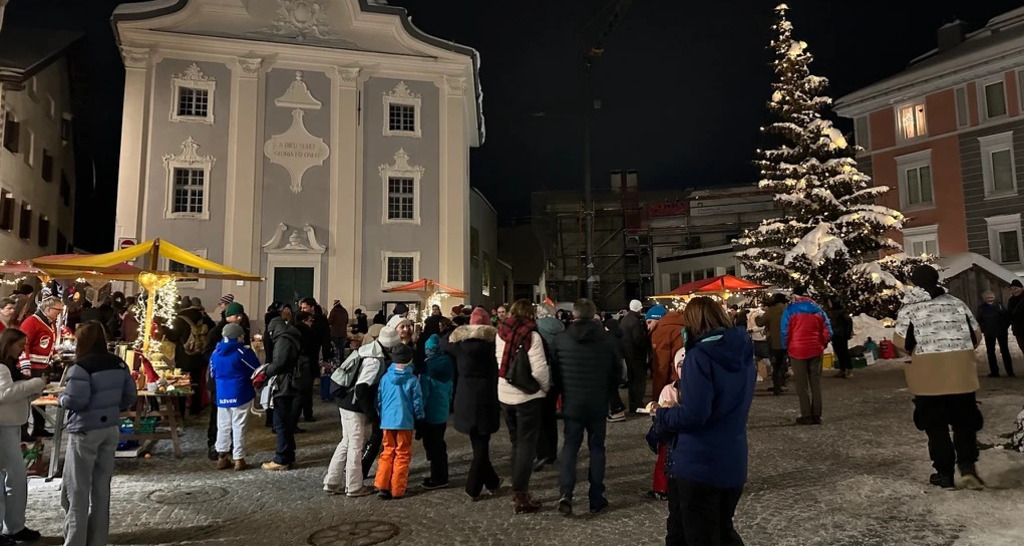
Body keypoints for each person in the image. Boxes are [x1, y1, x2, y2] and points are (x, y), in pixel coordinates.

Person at [654, 297, 755, 546]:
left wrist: (663, 415)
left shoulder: (699, 357)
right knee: (722, 530)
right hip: (732, 459)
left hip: (699, 463)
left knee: (697, 534)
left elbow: (695, 414)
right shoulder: (743, 353)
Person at [895, 265, 985, 490]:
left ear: (914, 283)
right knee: (965, 423)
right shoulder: (957, 303)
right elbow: (976, 335)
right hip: (961, 374)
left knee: (936, 427)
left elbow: (901, 342)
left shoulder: (910, 309)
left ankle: (944, 473)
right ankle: (967, 467)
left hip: (928, 377)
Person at [58, 321, 138, 546]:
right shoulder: (119, 364)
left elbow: (76, 400)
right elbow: (130, 396)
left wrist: (61, 398)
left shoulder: (81, 367)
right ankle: (98, 539)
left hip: (84, 430)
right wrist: (111, 407)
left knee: (78, 488)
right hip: (110, 429)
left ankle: (75, 541)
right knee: (102, 487)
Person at [549, 299, 619, 516]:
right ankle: (596, 496)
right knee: (597, 448)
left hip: (573, 402)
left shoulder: (560, 339)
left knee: (570, 447)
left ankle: (566, 493)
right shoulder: (607, 339)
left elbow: (555, 373)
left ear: (573, 315)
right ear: (594, 314)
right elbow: (617, 372)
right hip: (597, 401)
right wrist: (609, 392)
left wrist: (561, 394)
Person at [324, 326, 400, 497]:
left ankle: (332, 481)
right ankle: (354, 486)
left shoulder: (367, 349)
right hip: (354, 406)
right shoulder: (375, 359)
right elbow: (362, 388)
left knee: (346, 442)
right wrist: (371, 414)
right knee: (356, 446)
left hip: (344, 401)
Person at [495, 299, 550, 514]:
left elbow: (499, 362)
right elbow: (539, 370)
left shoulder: (500, 332)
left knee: (516, 442)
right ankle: (520, 493)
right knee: (526, 445)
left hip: (504, 393)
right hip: (526, 396)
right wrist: (544, 389)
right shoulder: (532, 335)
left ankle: (518, 488)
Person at [441, 308, 502, 500]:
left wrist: (458, 331)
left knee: (477, 441)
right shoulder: (494, 345)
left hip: (466, 397)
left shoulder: (460, 346)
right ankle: (474, 486)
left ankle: (490, 481)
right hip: (487, 396)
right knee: (482, 442)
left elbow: (443, 342)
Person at [0, 328, 45, 544]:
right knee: (12, 477)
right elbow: (5, 394)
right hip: (3, 427)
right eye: (20, 345)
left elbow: (15, 389)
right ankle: (10, 527)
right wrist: (34, 384)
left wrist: (29, 390)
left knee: (14, 478)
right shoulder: (1, 367)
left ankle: (14, 526)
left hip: (11, 425)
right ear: (9, 344)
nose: (23, 350)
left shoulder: (10, 366)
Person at [374, 344, 424, 500]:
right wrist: (419, 417)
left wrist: (381, 415)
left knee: (387, 452)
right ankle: (398, 488)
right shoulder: (412, 379)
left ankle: (382, 485)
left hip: (387, 422)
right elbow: (417, 402)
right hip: (405, 422)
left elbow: (379, 400)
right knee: (402, 454)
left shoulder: (385, 378)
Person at [209, 323, 260, 471]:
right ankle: (239, 458)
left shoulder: (215, 353)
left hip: (222, 393)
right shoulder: (242, 352)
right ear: (239, 336)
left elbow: (212, 373)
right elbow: (255, 369)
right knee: (239, 425)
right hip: (240, 392)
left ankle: (222, 457)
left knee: (223, 426)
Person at [202, 302, 248, 461]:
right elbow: (206, 353)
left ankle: (228, 450)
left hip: (228, 382)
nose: (240, 318)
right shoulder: (216, 332)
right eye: (237, 315)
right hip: (220, 382)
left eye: (241, 315)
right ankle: (216, 447)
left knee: (227, 419)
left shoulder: (240, 329)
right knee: (219, 418)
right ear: (228, 316)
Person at [781, 287, 832, 425]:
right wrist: (822, 344)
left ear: (796, 296)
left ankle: (806, 415)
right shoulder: (818, 310)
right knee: (815, 383)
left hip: (797, 351)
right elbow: (828, 331)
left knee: (801, 385)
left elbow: (785, 331)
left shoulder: (790, 310)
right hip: (815, 350)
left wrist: (786, 347)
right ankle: (817, 414)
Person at [262, 315, 304, 471]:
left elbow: (279, 363)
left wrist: (266, 372)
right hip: (292, 382)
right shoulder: (291, 336)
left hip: (284, 384)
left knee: (280, 421)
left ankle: (281, 458)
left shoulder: (283, 340)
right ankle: (288, 455)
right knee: (286, 421)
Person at [19, 296, 63, 438]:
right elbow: (23, 344)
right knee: (26, 400)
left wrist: (56, 358)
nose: (60, 313)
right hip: (31, 367)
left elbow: (49, 344)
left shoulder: (50, 323)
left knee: (41, 398)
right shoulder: (31, 322)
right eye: (58, 310)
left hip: (43, 366)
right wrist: (25, 364)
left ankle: (39, 427)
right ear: (48, 309)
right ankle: (23, 430)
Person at [419, 334, 453, 489]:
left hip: (430, 412)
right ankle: (439, 474)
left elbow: (424, 394)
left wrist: (419, 412)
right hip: (442, 410)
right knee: (439, 443)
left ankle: (438, 477)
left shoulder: (428, 369)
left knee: (433, 445)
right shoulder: (447, 363)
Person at [164, 299, 210, 417]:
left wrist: (164, 327)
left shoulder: (180, 319)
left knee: (182, 384)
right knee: (196, 382)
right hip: (199, 355)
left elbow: (173, 336)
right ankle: (196, 408)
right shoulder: (202, 317)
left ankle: (181, 410)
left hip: (185, 356)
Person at [533, 302, 564, 472]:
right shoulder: (561, 328)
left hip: (542, 375)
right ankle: (552, 452)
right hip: (558, 377)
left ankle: (542, 451)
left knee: (539, 416)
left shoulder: (536, 329)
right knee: (551, 415)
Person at [646, 305, 684, 408]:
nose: (648, 327)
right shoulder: (682, 325)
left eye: (649, 322)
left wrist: (656, 397)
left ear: (658, 319)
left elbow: (661, 367)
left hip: (673, 380)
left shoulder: (661, 331)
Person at [757, 293, 790, 395]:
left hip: (775, 342)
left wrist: (756, 317)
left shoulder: (771, 311)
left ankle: (777, 386)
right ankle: (782, 384)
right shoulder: (788, 310)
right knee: (784, 363)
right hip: (789, 341)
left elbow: (760, 323)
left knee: (776, 365)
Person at [620, 299, 649, 414]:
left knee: (632, 381)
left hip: (628, 354)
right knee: (639, 381)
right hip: (637, 355)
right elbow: (638, 339)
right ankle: (638, 404)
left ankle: (632, 404)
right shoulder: (635, 322)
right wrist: (646, 345)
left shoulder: (624, 320)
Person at [977, 290, 1013, 378]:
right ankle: (994, 372)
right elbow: (979, 319)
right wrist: (983, 329)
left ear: (994, 297)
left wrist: (1004, 327)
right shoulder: (982, 308)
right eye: (987, 298)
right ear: (984, 299)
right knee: (990, 352)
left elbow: (1007, 317)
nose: (989, 299)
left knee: (1005, 351)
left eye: (991, 297)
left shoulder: (1000, 306)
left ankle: (1010, 371)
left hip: (1001, 331)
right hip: (989, 332)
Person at [827, 296, 854, 379]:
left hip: (841, 335)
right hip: (835, 335)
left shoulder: (841, 312)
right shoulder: (832, 312)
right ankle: (842, 370)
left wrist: (847, 334)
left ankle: (849, 369)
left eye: (830, 302)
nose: (829, 304)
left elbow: (849, 323)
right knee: (838, 353)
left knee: (844, 352)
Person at [747, 306, 771, 384]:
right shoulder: (756, 316)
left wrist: (751, 329)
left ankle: (764, 372)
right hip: (759, 340)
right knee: (760, 358)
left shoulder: (756, 316)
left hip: (760, 340)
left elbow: (758, 327)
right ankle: (764, 372)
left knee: (762, 358)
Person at [1009, 280, 1024, 353]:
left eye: (1016, 288)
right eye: (1012, 289)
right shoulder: (1011, 300)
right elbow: (1009, 314)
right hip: (1018, 330)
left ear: (1021, 288)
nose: (1014, 291)